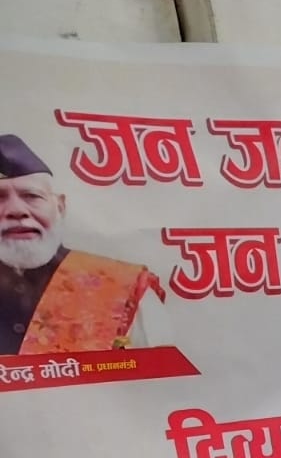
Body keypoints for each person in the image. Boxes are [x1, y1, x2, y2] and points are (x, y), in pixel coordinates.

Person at [0, 134, 170, 354]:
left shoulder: (123, 286)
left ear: (60, 206)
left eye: (31, 196)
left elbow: (158, 371)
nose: (16, 211)